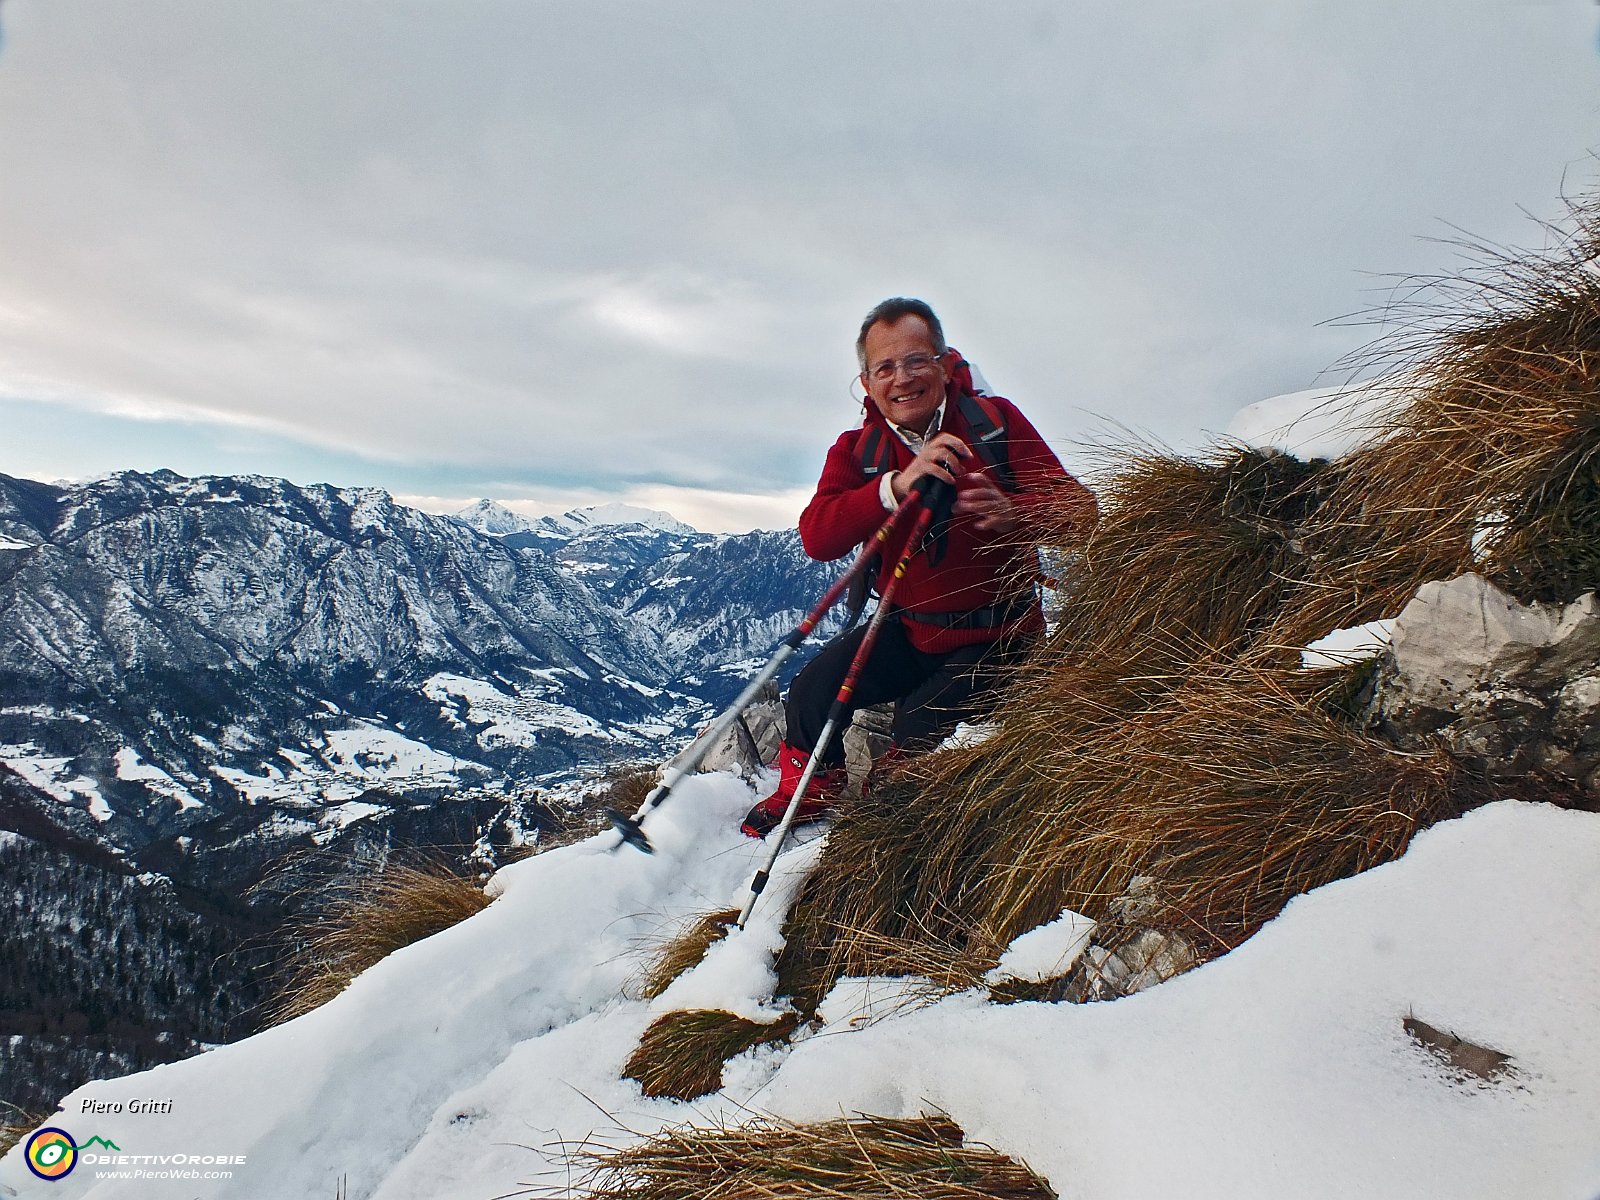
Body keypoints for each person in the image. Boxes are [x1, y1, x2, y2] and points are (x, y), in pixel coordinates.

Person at [740, 297, 1097, 838]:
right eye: (884, 367)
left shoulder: (995, 425)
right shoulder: (858, 451)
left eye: (916, 361)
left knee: (917, 730)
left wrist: (1014, 515)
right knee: (812, 693)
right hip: (910, 628)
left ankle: (892, 817)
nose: (901, 379)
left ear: (942, 362)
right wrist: (892, 488)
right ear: (865, 381)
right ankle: (813, 785)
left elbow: (1081, 514)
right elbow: (819, 536)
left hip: (999, 634)